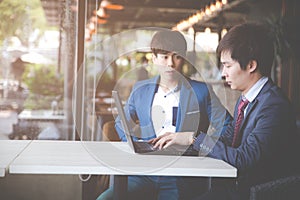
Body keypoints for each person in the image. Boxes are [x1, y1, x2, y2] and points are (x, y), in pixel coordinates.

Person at [151, 22, 299, 200]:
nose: (223, 73)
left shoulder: (273, 106)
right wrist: (184, 145)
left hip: (256, 193)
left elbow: (243, 159)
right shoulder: (246, 99)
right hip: (234, 187)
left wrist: (194, 138)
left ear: (251, 65)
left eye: (228, 66)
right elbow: (228, 139)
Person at [97, 30, 232, 200]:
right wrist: (135, 144)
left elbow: (227, 126)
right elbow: (121, 121)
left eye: (176, 57)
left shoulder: (201, 91)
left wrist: (201, 145)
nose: (171, 63)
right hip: (144, 172)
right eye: (164, 56)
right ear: (154, 59)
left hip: (181, 174)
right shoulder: (140, 89)